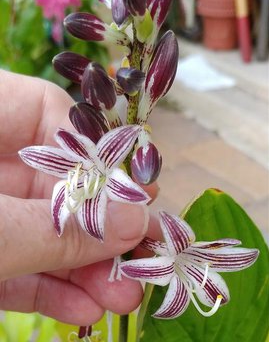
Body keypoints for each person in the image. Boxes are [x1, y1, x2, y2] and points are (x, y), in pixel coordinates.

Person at [0, 69, 158, 326]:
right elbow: (36, 156)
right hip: (99, 166)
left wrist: (138, 135)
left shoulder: (103, 168)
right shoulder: (79, 176)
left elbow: (127, 187)